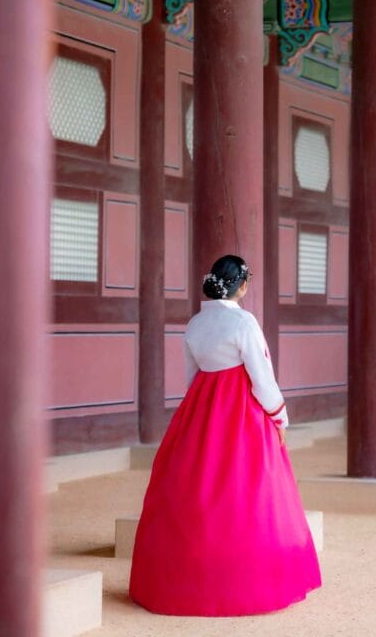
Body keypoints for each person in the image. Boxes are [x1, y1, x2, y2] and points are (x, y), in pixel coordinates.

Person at [129, 254, 321, 616]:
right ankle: (248, 579)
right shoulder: (244, 322)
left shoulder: (195, 324)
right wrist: (280, 418)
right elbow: (261, 377)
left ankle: (187, 579)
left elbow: (192, 376)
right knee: (249, 491)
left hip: (200, 408)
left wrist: (198, 414)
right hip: (242, 411)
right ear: (242, 286)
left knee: (194, 487)